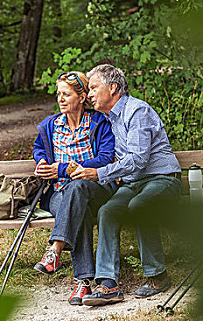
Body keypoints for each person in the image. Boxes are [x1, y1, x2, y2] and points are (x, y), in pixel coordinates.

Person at [69, 64, 182, 306]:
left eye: (93, 88)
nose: (89, 94)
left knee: (140, 205)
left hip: (162, 179)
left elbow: (138, 159)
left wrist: (100, 173)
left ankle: (158, 277)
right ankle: (108, 284)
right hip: (133, 183)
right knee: (107, 211)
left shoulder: (136, 111)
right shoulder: (107, 119)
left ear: (113, 88)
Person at [32, 71, 116, 306]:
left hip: (96, 187)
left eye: (66, 94)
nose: (60, 99)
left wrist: (64, 169)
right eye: (58, 94)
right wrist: (40, 161)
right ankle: (83, 283)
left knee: (78, 186)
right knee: (80, 211)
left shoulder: (98, 123)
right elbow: (38, 148)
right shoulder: (51, 125)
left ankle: (55, 250)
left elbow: (106, 158)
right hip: (58, 194)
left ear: (81, 97)